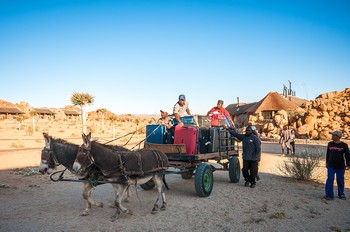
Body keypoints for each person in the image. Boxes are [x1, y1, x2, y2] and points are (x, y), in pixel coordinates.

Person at [323, 130, 350, 200]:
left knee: (340, 180)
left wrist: (348, 164)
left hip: (340, 166)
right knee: (330, 180)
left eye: (333, 135)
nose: (332, 136)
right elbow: (328, 154)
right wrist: (327, 163)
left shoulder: (344, 145)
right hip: (331, 165)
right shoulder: (330, 144)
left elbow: (347, 155)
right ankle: (329, 195)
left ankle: (341, 194)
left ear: (337, 137)